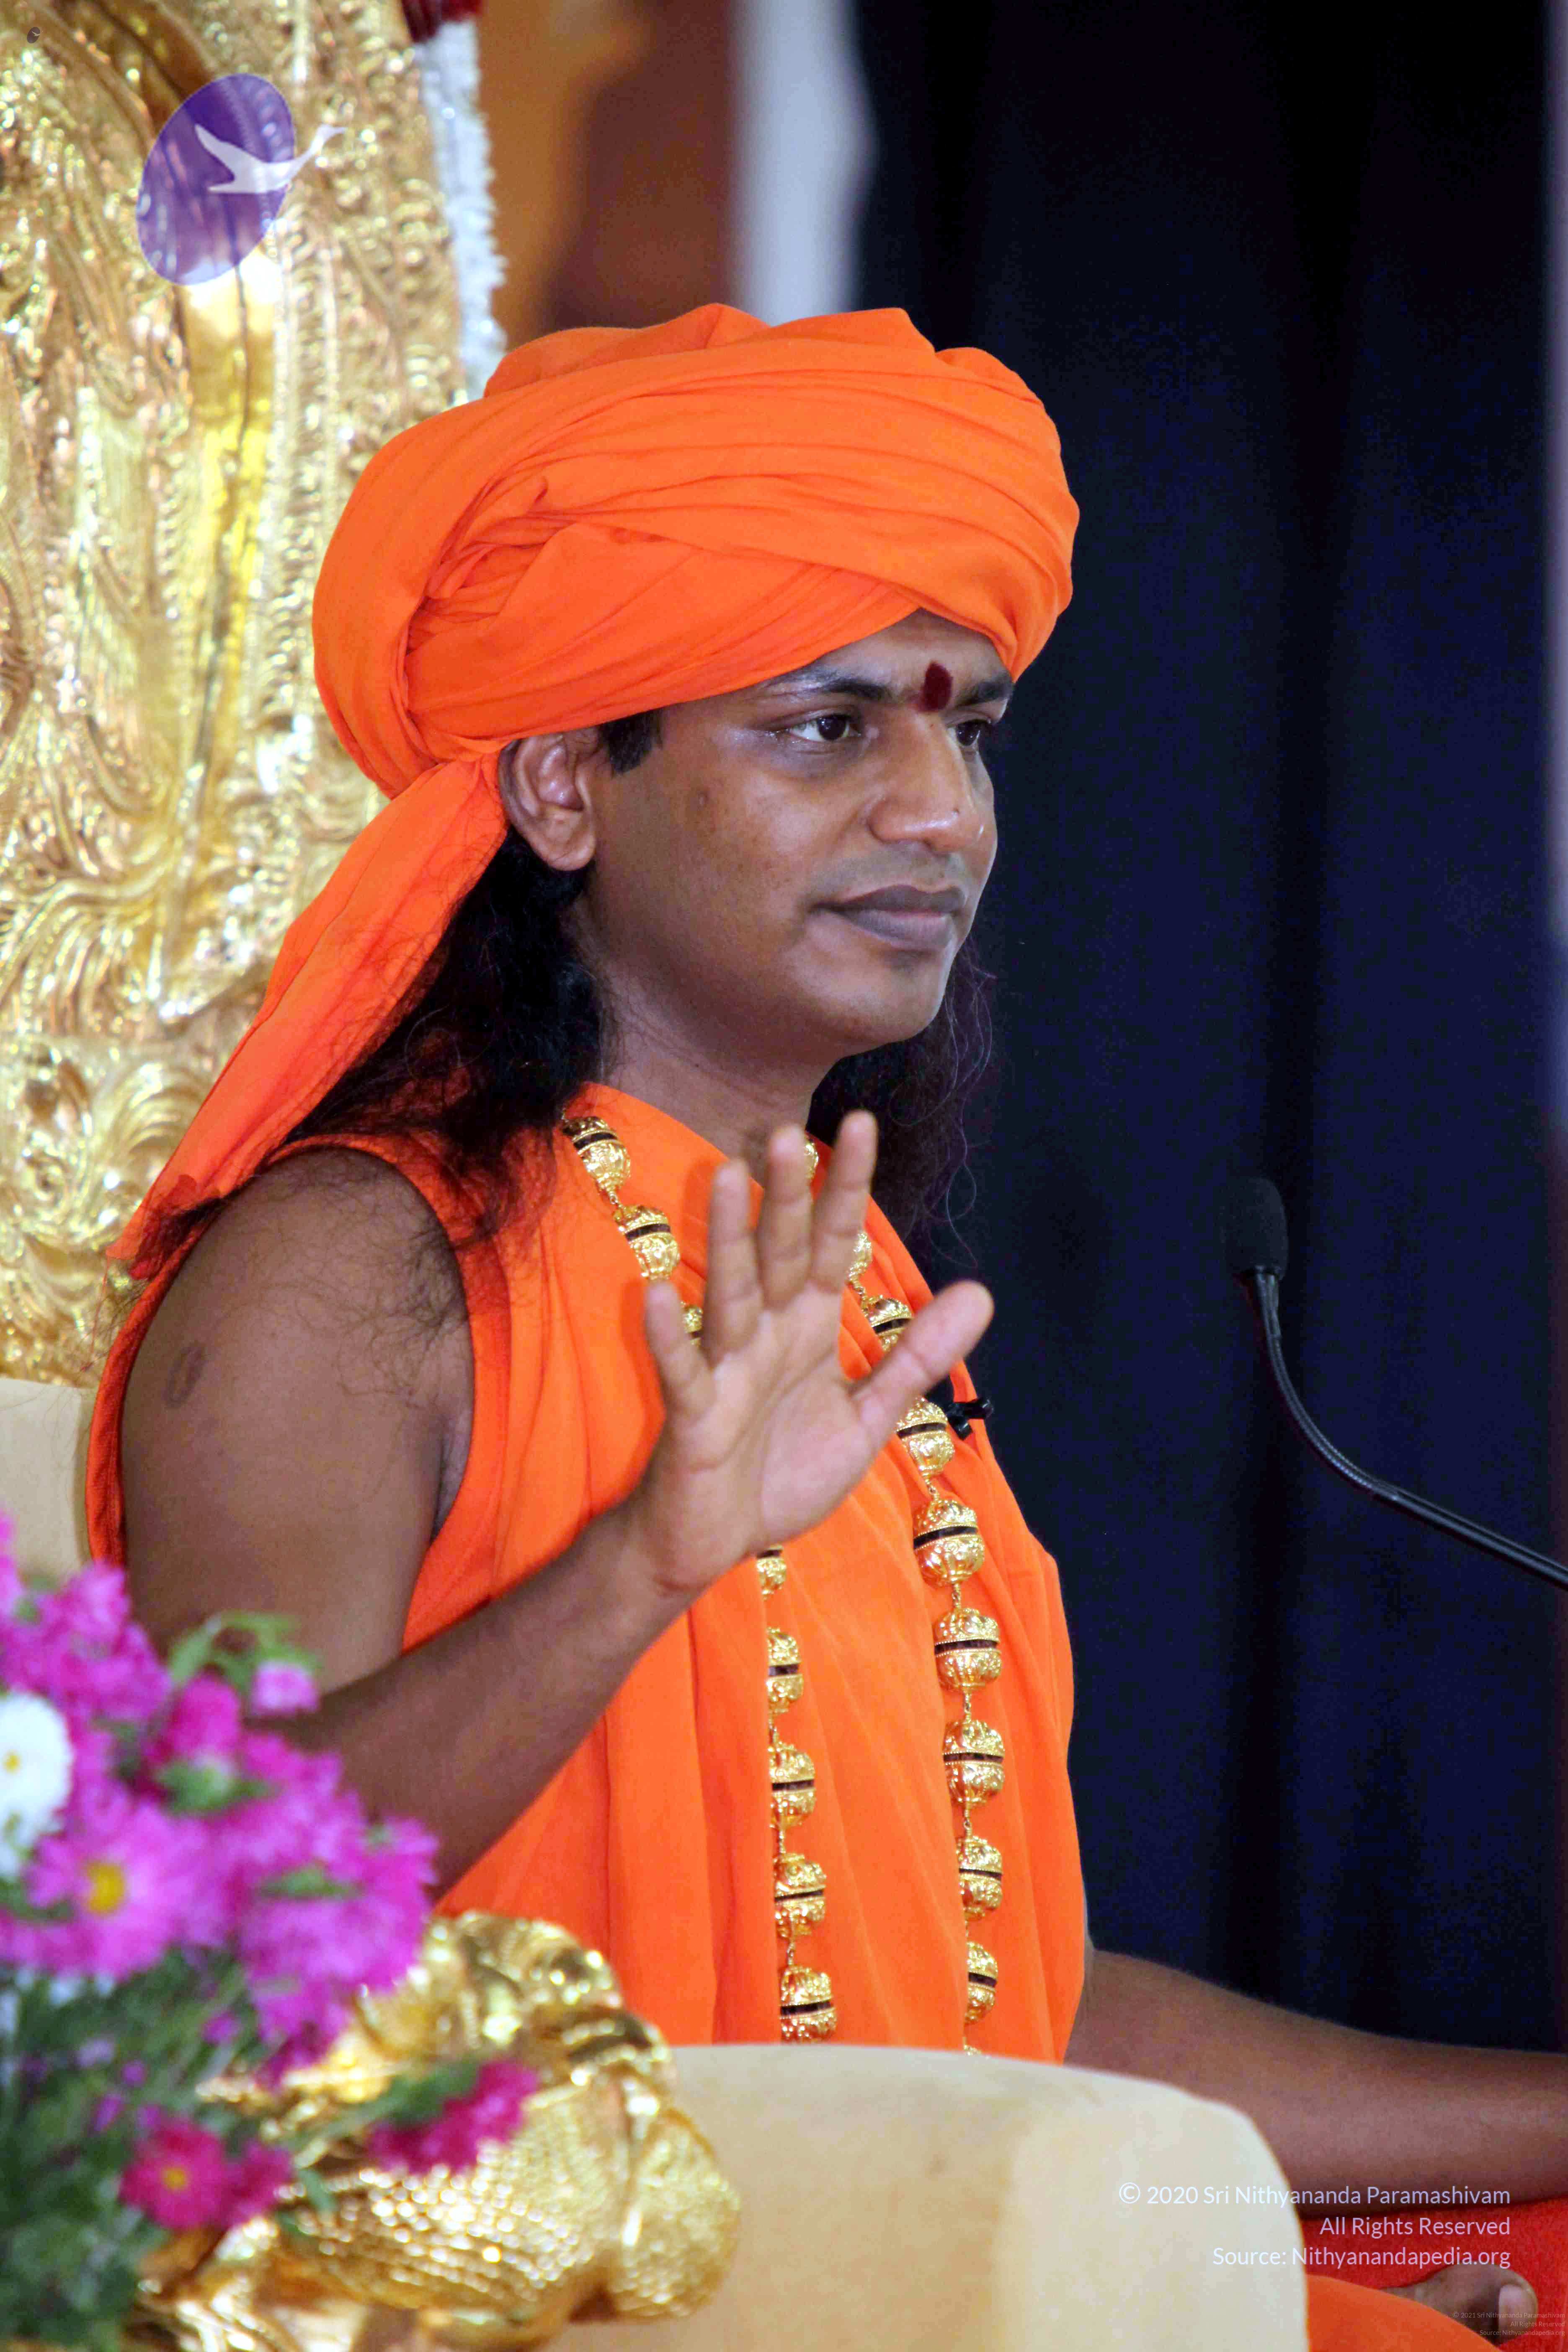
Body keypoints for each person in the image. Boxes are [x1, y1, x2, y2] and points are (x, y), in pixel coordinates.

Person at [88, 306, 1564, 2346]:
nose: (943, 812)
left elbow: (994, 2021)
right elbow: (205, 1950)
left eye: (970, 734)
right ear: (561, 788)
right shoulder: (355, 1264)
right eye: (828, 728)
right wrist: (635, 1569)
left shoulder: (843, 1282)